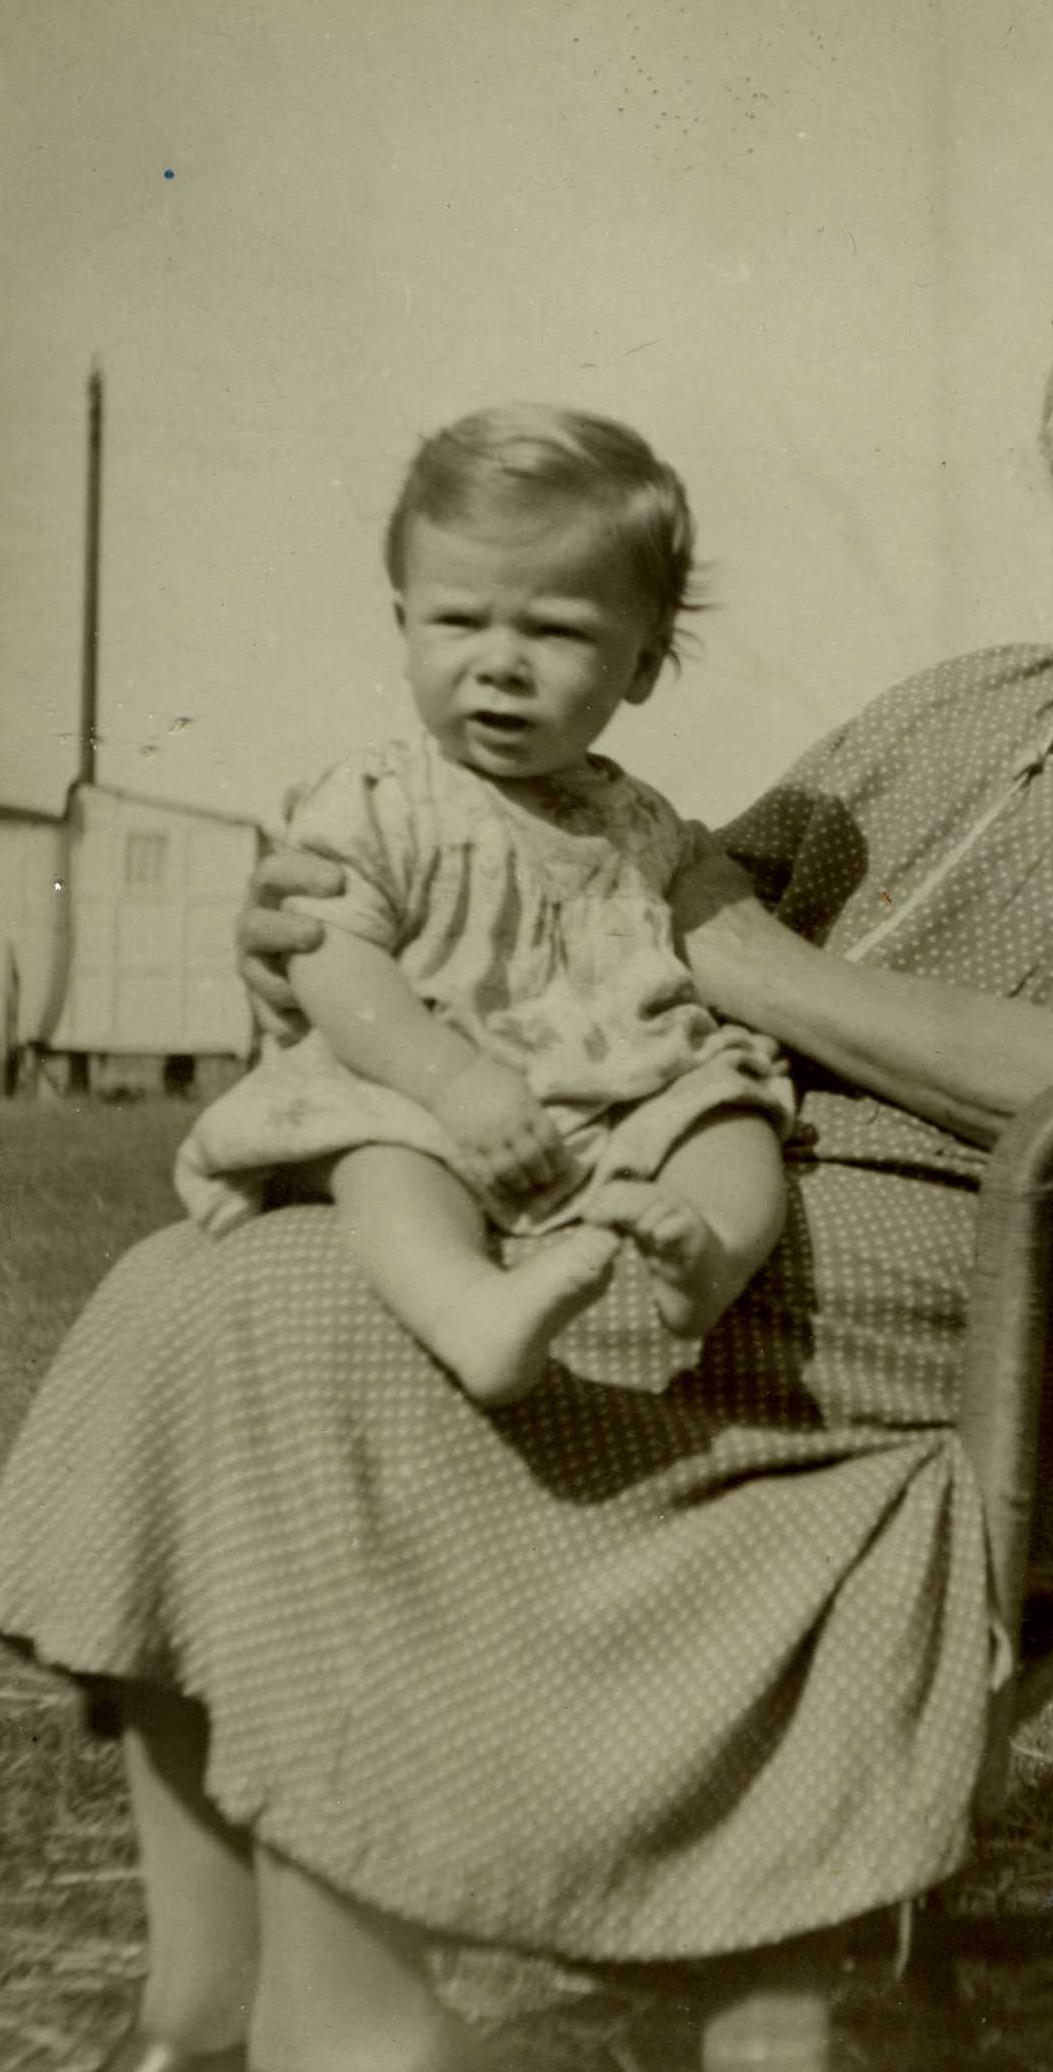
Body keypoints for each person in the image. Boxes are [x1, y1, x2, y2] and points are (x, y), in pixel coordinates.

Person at [0, 227, 1053, 2072]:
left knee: (313, 1310)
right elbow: (601, 861)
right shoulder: (958, 707)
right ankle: (206, 2015)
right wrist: (335, 921)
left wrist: (747, 969)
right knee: (193, 1287)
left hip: (1018, 1297)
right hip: (713, 1200)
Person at [175, 406, 793, 1406]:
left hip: (615, 1087)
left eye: (555, 632)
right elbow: (331, 955)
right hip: (425, 1084)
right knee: (377, 1160)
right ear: (404, 626)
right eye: (459, 620)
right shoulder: (380, 796)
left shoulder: (649, 827)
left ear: (641, 664)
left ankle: (712, 1252)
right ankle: (469, 1309)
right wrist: (453, 1083)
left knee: (731, 1113)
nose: (500, 662)